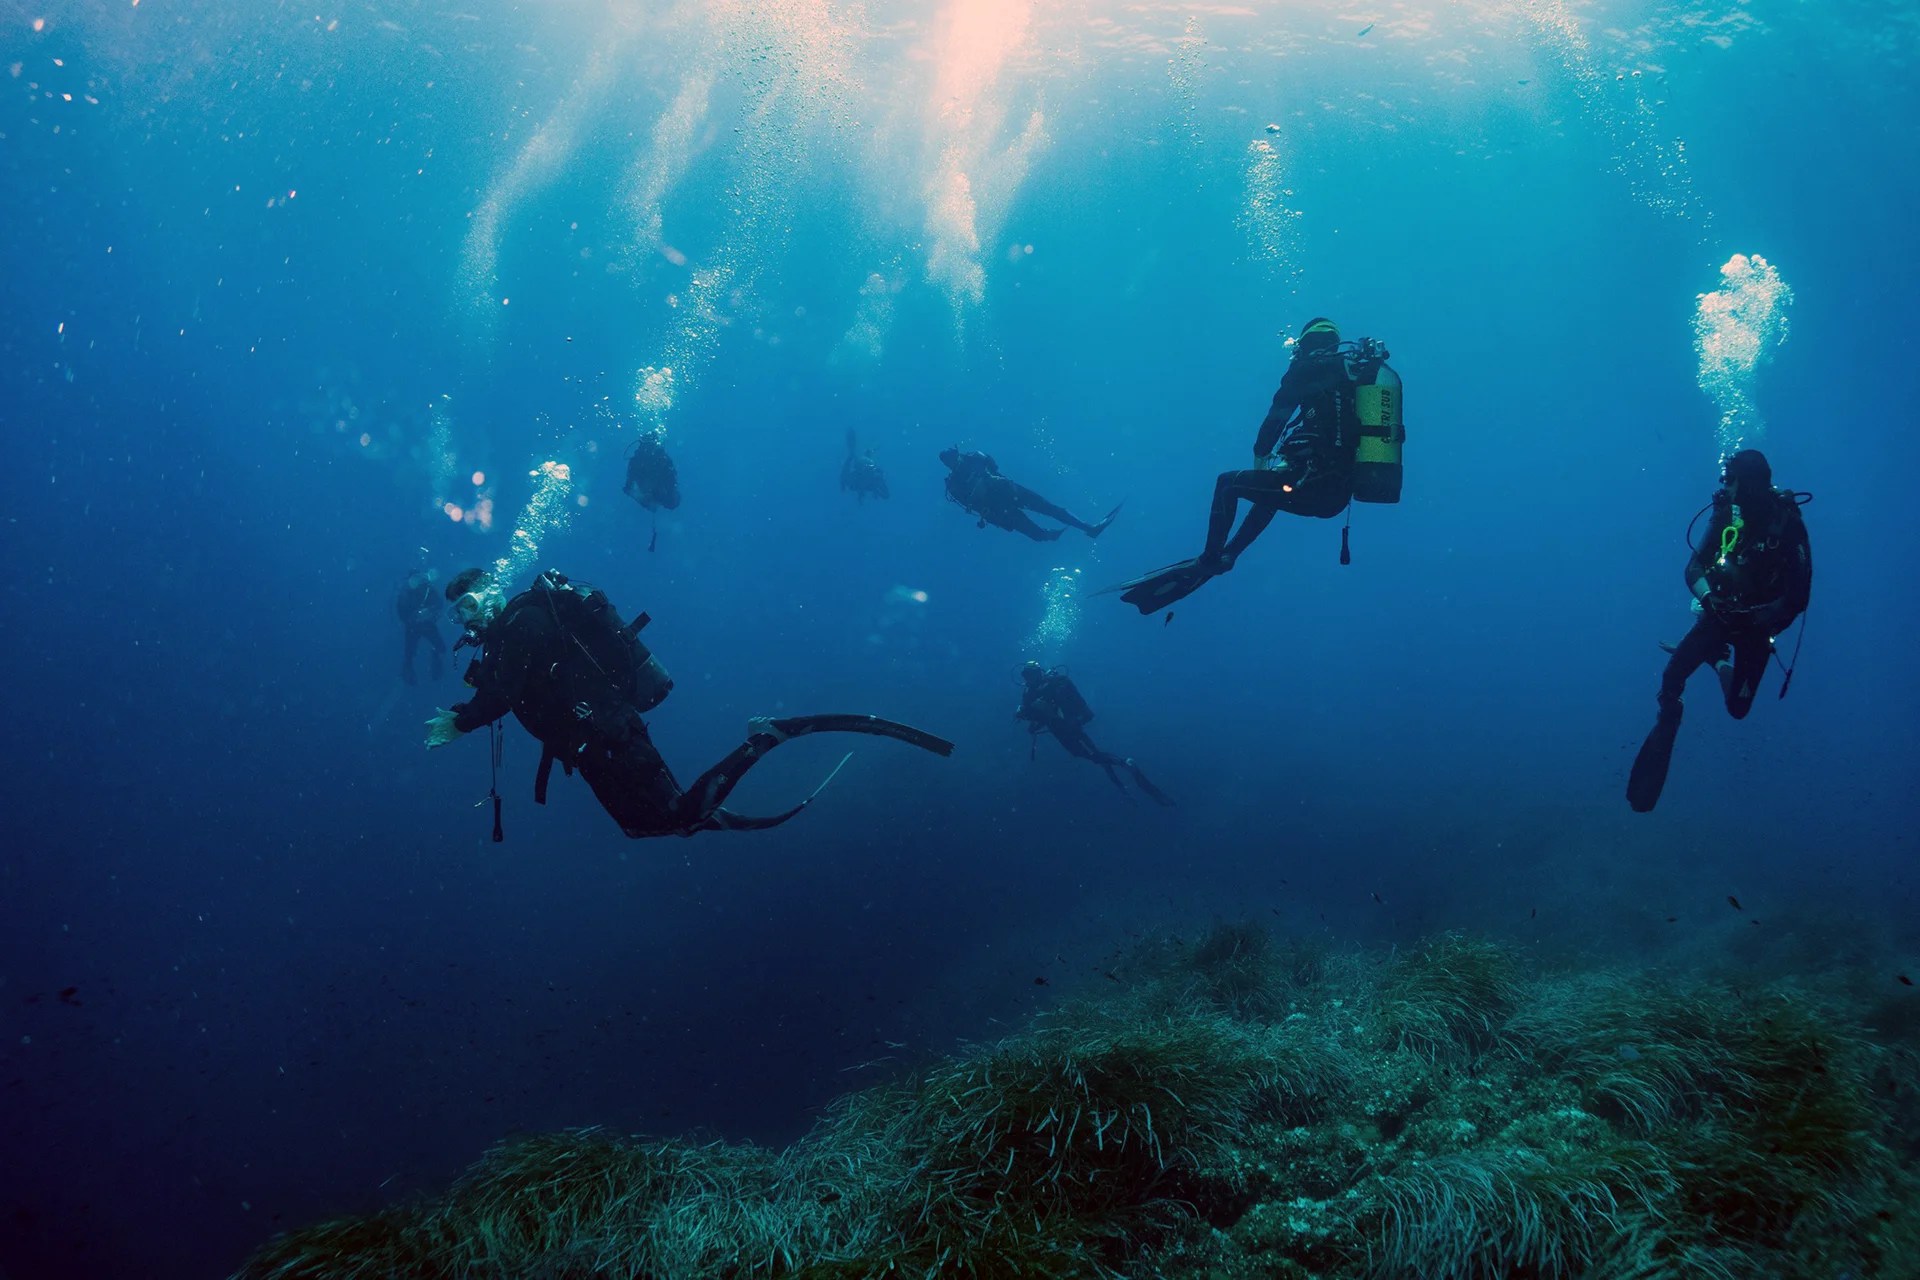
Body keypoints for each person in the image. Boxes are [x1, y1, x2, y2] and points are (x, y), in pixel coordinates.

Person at [424, 568, 955, 837]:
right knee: (638, 827)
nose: (465, 618)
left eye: (468, 603)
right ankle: (702, 812)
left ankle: (766, 737)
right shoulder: (504, 640)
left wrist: (462, 722)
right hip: (589, 748)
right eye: (456, 614)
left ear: (491, 590)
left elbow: (504, 693)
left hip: (610, 735)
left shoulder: (523, 621)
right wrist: (471, 710)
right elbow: (507, 688)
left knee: (678, 817)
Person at [1113, 317, 1389, 613]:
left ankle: (1210, 559)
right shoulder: (1352, 372)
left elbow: (1276, 418)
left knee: (1228, 484)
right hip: (1337, 496)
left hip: (1312, 485)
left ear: (1304, 345)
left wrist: (1260, 454)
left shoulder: (1304, 370)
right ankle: (1230, 554)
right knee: (1276, 486)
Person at [1627, 449, 1812, 813]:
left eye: (1730, 479)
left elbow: (1798, 597)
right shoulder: (1726, 513)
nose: (1723, 486)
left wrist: (1757, 619)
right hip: (1720, 614)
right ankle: (1669, 719)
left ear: (1749, 483)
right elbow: (1694, 567)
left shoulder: (1788, 525)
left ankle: (1719, 661)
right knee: (1671, 678)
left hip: (1756, 628)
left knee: (1738, 709)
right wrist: (1709, 600)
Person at [1015, 662, 1172, 805]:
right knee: (1095, 756)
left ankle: (1125, 764)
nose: (1029, 678)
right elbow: (1037, 716)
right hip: (1061, 729)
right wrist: (1025, 714)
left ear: (1040, 672)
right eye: (1026, 675)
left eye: (1032, 674)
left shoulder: (1054, 684)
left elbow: (1063, 707)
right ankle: (1122, 784)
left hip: (1069, 727)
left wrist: (1047, 711)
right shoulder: (1031, 692)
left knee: (1094, 755)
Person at [940, 447, 1120, 542]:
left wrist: (985, 474)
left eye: (953, 456)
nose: (954, 460)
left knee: (1050, 509)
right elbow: (970, 504)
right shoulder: (955, 482)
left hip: (1009, 492)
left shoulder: (972, 459)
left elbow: (993, 465)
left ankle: (1088, 528)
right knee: (1039, 529)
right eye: (950, 460)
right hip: (1000, 506)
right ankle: (1058, 534)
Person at [624, 433, 681, 551]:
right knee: (670, 503)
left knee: (669, 503)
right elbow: (672, 480)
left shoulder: (639, 460)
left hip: (652, 494)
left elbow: (628, 485)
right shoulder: (661, 458)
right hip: (653, 494)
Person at [395, 566, 445, 685]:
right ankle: (408, 673)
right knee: (409, 654)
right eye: (413, 579)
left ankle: (435, 659)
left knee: (441, 647)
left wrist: (429, 611)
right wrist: (413, 617)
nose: (415, 582)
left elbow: (439, 603)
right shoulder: (404, 594)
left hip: (427, 625)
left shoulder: (427, 589)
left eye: (417, 578)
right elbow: (401, 613)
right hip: (412, 628)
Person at [842, 429, 889, 502]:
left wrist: (877, 487)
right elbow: (844, 477)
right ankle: (867, 450)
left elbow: (886, 495)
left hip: (862, 481)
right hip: (859, 480)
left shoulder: (873, 478)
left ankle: (868, 450)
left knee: (855, 456)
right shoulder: (855, 478)